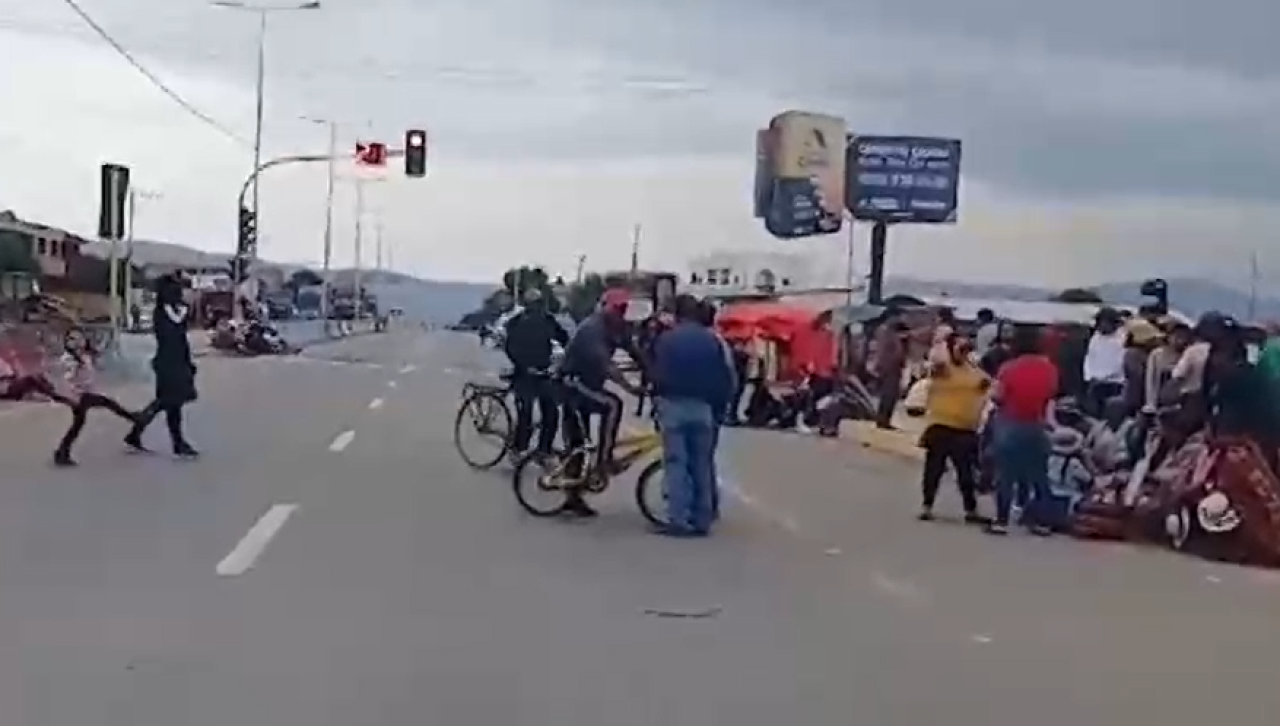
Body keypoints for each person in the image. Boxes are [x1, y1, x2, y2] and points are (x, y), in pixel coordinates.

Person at [650, 294, 736, 536]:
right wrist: (720, 409)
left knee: (677, 463)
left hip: (674, 405)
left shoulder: (667, 340)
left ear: (677, 313)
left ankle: (679, 519)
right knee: (702, 463)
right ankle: (703, 520)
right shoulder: (713, 341)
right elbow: (724, 378)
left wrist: (655, 399)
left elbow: (656, 373)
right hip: (703, 408)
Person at [557, 288, 646, 516]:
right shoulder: (591, 329)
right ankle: (604, 460)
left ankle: (575, 495)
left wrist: (656, 375)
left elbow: (637, 353)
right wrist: (631, 387)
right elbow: (608, 366)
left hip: (589, 386)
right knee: (612, 405)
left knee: (580, 443)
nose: (620, 313)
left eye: (623, 309)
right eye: (617, 308)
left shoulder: (618, 328)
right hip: (572, 384)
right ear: (604, 307)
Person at [988, 324, 1059, 536]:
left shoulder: (1008, 368)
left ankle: (1001, 521)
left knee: (1006, 475)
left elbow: (998, 396)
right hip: (1036, 425)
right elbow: (1050, 396)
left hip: (1010, 424)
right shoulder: (1050, 369)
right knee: (1039, 477)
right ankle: (1040, 522)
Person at [125, 272, 200, 458]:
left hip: (172, 361)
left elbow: (178, 338)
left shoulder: (166, 311)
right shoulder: (168, 312)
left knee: (171, 403)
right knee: (168, 402)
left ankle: (143, 433)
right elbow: (175, 339)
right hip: (171, 362)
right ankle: (174, 441)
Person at [917, 333, 989, 524]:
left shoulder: (973, 371)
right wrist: (945, 345)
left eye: (967, 349)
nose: (964, 352)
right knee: (934, 470)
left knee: (965, 472)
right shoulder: (942, 368)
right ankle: (927, 505)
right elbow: (932, 365)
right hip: (941, 425)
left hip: (964, 428)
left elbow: (987, 386)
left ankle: (970, 510)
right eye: (960, 348)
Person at [53, 329, 138, 467]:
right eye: (71, 339)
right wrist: (72, 381)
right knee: (107, 403)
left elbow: (98, 362)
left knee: (78, 424)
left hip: (84, 394)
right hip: (79, 396)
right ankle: (133, 417)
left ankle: (62, 452)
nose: (76, 342)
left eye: (79, 338)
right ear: (67, 343)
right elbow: (67, 378)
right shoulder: (70, 359)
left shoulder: (84, 355)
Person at [502, 289, 568, 460]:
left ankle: (544, 450)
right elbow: (510, 347)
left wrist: (561, 359)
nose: (536, 307)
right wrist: (523, 365)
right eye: (533, 304)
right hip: (524, 374)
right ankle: (518, 448)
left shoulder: (548, 320)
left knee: (551, 412)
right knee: (526, 414)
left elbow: (563, 338)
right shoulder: (517, 322)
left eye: (538, 303)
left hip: (542, 373)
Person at [1083, 307, 1127, 417]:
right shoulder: (1096, 338)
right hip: (1095, 382)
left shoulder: (1122, 339)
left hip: (1115, 383)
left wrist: (1104, 376)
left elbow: (1120, 362)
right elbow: (1090, 357)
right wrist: (1089, 376)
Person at [871, 313, 907, 430]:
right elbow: (881, 350)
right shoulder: (884, 331)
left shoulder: (892, 332)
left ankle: (885, 419)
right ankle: (882, 420)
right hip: (888, 367)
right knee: (888, 394)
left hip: (894, 367)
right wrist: (878, 365)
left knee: (892, 395)